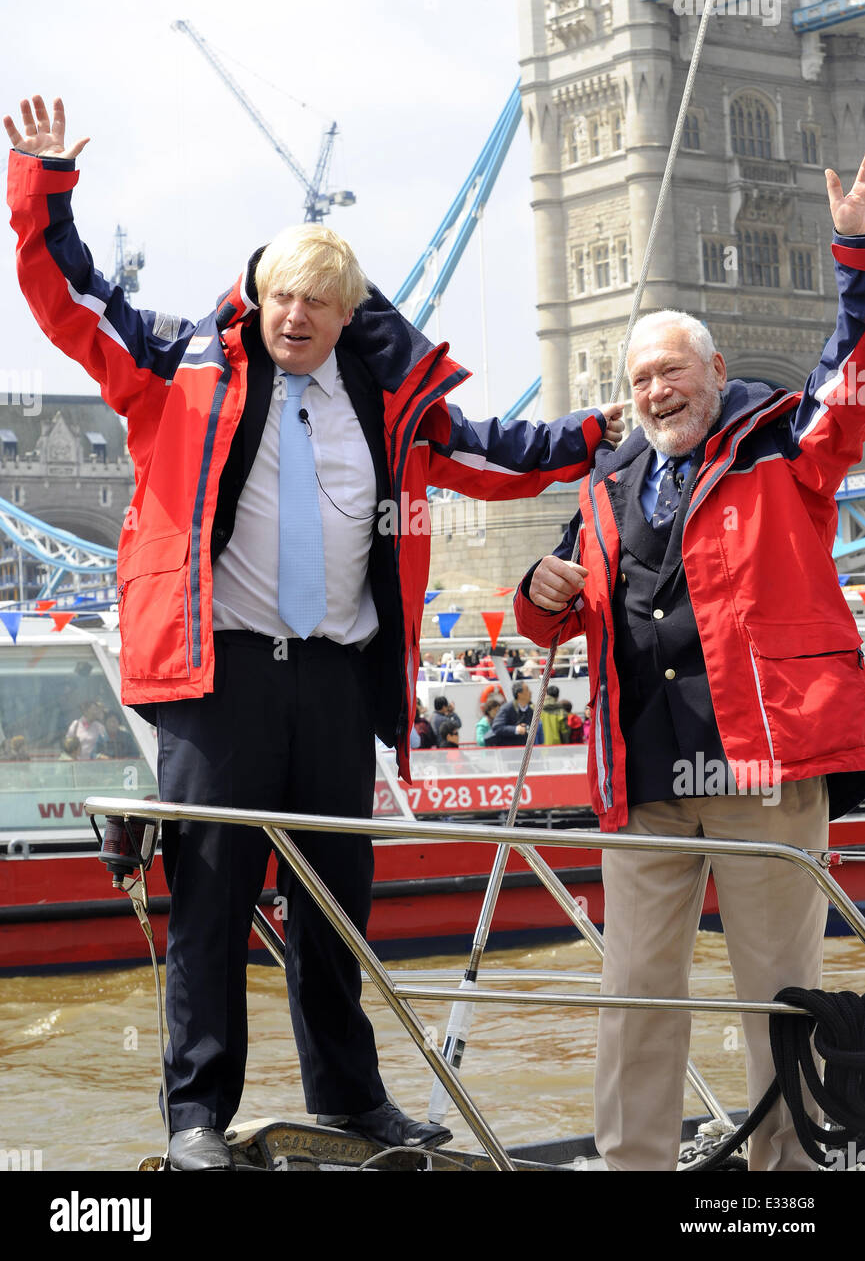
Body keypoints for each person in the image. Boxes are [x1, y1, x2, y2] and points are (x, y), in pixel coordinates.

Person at [4, 95, 624, 1172]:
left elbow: (492, 452)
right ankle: (196, 1116)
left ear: (348, 316)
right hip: (219, 677)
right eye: (281, 295)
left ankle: (349, 1099)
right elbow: (73, 304)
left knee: (336, 900)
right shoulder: (174, 369)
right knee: (209, 899)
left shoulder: (386, 406)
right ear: (257, 298)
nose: (296, 314)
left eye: (319, 302)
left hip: (338, 677)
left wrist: (597, 434)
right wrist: (46, 188)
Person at [513, 154, 865, 1171]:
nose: (657, 390)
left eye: (673, 370)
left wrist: (854, 257)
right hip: (646, 769)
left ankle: (786, 1180)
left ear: (715, 372)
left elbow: (848, 382)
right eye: (639, 379)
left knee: (778, 987)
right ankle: (632, 1166)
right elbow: (558, 610)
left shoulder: (782, 446)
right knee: (635, 990)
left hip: (759, 762)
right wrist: (538, 595)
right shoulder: (606, 480)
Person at [490, 680, 542, 747]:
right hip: (508, 752)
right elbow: (497, 727)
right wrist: (516, 729)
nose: (530, 692)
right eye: (527, 690)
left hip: (524, 751)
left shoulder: (530, 711)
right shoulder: (507, 709)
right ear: (519, 694)